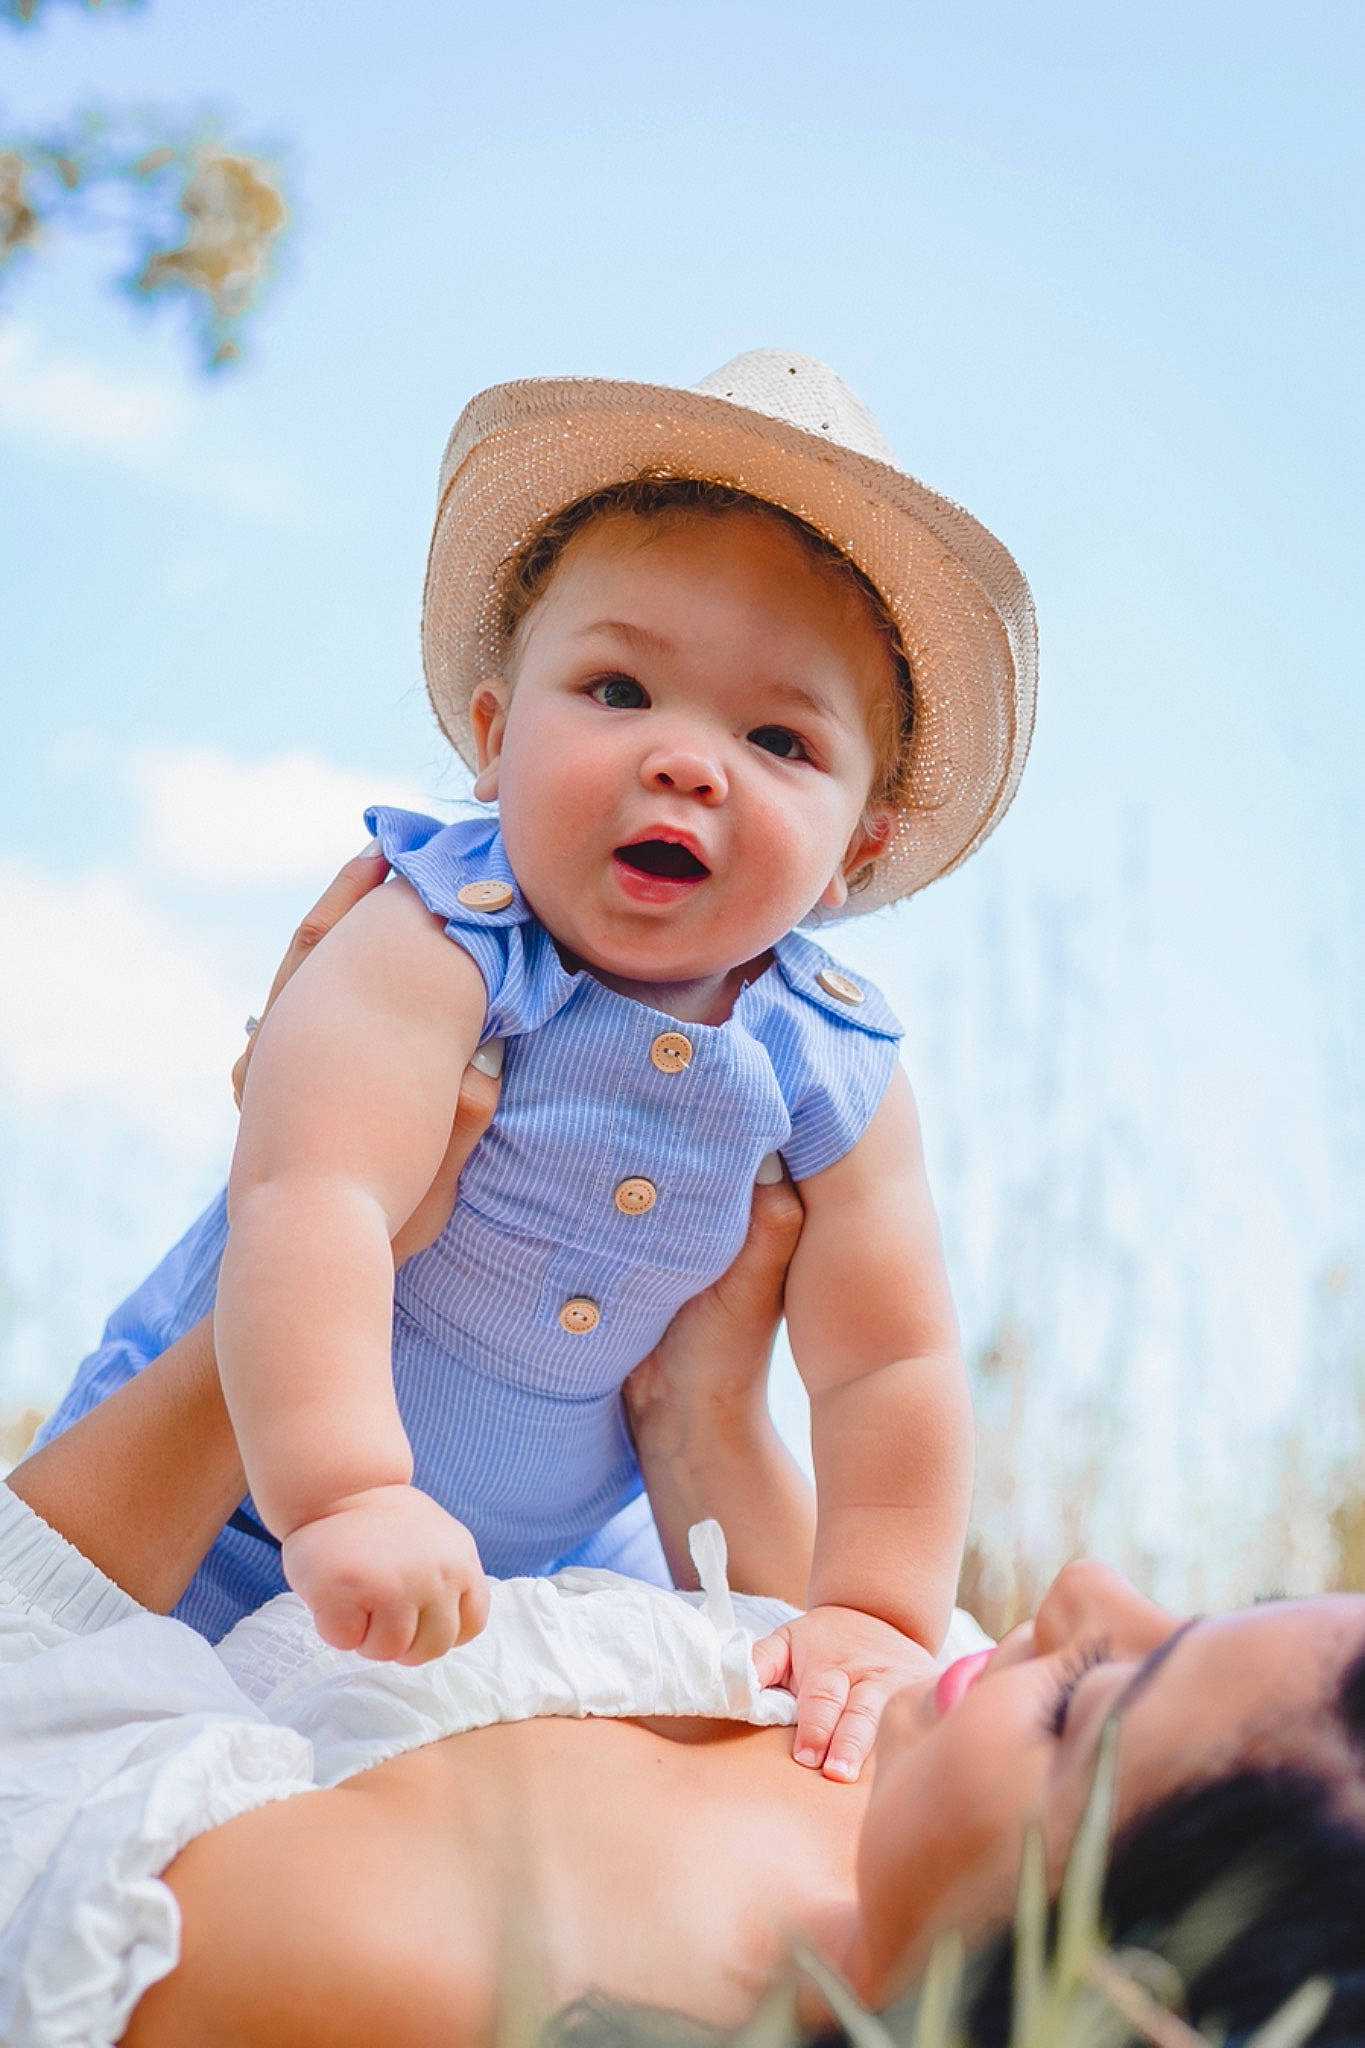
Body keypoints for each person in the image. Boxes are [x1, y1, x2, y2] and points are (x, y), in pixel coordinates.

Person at [34, 348, 1039, 1781]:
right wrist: (347, 1493)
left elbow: (890, 1359)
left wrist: (871, 1609)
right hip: (247, 1497)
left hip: (557, 1548)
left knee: (811, 1698)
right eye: (620, 688)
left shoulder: (832, 1054)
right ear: (496, 740)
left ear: (855, 849)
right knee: (127, 1733)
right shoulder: (439, 934)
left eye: (776, 737)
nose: (688, 761)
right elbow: (312, 1202)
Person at [5, 1181, 1365, 2048]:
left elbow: (35, 1717)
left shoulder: (429, 1977)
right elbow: (792, 1630)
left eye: (1085, 1707)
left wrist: (314, 1264)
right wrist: (703, 1410)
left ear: (1113, 2002)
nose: (1081, 1589)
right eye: (1197, 1618)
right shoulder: (945, 1773)